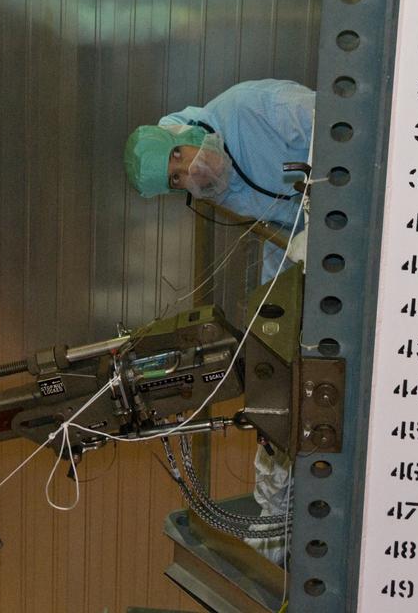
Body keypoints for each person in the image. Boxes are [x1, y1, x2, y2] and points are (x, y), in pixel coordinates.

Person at [123, 78, 315, 566]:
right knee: (275, 349)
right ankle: (276, 518)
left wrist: (330, 218)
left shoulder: (255, 109)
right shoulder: (213, 186)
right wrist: (275, 307)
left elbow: (348, 129)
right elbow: (275, 227)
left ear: (180, 133)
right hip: (307, 249)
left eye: (176, 158)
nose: (187, 172)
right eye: (174, 180)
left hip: (362, 223)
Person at [123, 78, 314, 254]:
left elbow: (332, 123)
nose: (193, 168)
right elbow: (283, 232)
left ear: (184, 133)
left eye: (177, 153)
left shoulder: (246, 107)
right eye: (176, 178)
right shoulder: (223, 194)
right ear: (179, 191)